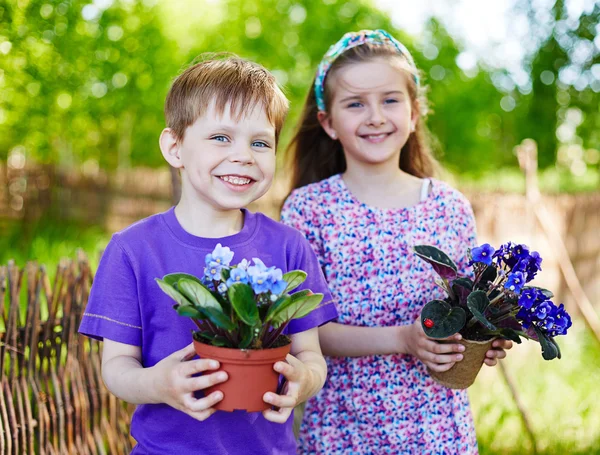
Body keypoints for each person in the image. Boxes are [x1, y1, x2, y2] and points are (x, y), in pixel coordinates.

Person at [78, 55, 338, 454]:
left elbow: (312, 357)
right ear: (175, 146)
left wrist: (305, 380)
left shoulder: (289, 246)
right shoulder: (133, 250)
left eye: (260, 142)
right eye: (221, 137)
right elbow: (116, 369)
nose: (243, 155)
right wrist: (158, 384)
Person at [280, 30, 512, 454]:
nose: (375, 116)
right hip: (342, 431)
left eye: (390, 99)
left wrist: (481, 339)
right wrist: (403, 339)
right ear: (328, 122)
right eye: (355, 104)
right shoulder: (309, 209)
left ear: (415, 112)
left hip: (437, 431)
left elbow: (464, 311)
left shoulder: (449, 207)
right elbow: (309, 332)